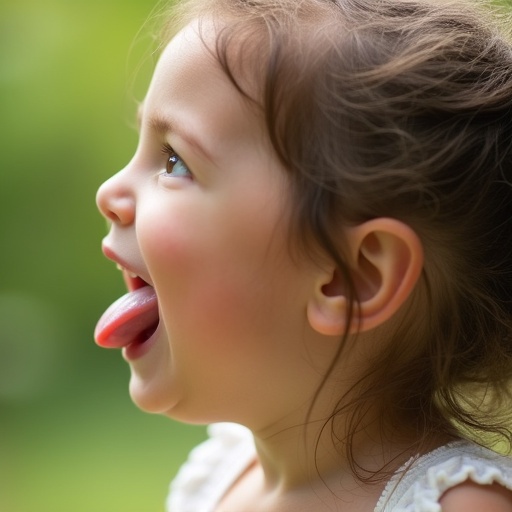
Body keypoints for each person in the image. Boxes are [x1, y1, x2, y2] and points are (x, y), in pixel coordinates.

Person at [94, 0, 512, 509]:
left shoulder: (456, 505)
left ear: (349, 277)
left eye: (175, 160)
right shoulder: (219, 478)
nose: (109, 192)